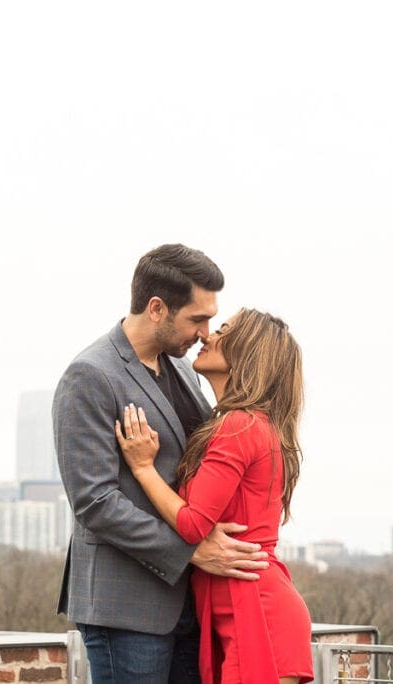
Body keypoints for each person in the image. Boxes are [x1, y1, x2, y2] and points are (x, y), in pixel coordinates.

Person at [53, 244, 271, 684]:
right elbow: (94, 502)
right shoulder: (90, 375)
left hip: (189, 607)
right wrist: (191, 551)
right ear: (156, 308)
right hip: (126, 610)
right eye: (197, 319)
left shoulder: (186, 371)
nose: (207, 332)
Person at [116, 308, 314, 684]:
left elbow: (192, 524)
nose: (207, 335)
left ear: (246, 352)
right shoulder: (248, 424)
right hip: (244, 609)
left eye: (222, 330)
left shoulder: (240, 426)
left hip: (256, 613)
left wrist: (142, 468)